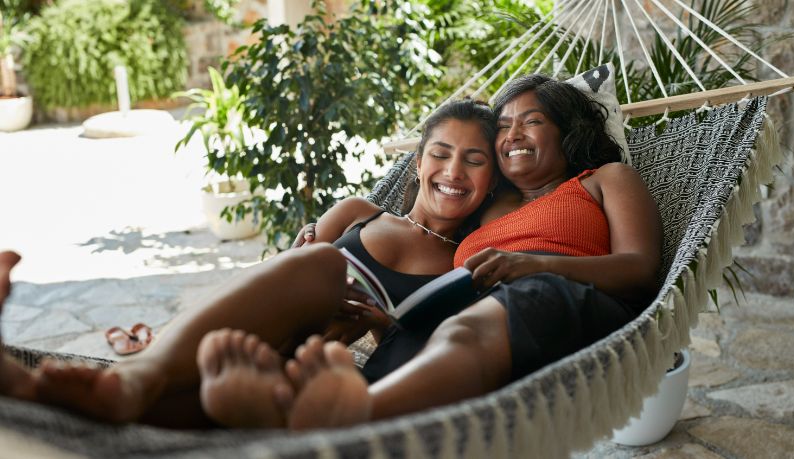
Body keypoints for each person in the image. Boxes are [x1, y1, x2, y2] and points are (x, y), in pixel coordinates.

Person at [0, 99, 498, 429]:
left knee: (212, 384)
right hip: (260, 341)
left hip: (319, 369)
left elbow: (437, 355)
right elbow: (265, 286)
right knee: (319, 263)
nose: (454, 171)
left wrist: (380, 328)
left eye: (474, 160)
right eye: (441, 153)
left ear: (491, 182)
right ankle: (97, 385)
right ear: (417, 163)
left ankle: (67, 390)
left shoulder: (465, 264)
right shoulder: (357, 213)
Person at [224, 73, 663, 428]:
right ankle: (304, 409)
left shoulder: (604, 179)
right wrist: (385, 323)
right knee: (406, 341)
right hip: (472, 327)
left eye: (531, 121)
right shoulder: (490, 205)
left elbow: (641, 269)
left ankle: (355, 417)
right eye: (504, 127)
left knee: (492, 314)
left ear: (566, 131)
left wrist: (531, 265)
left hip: (563, 303)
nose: (513, 134)